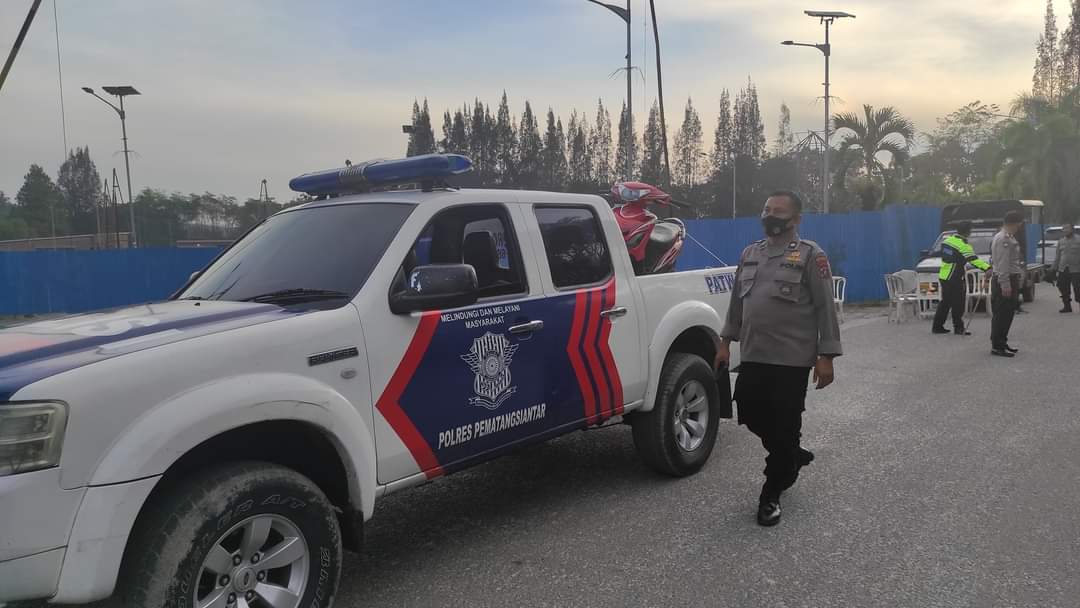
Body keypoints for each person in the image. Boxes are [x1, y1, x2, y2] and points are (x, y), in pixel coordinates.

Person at [715, 190, 842, 527]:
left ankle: (771, 491)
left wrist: (827, 355)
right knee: (749, 412)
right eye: (767, 209)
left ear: (796, 219)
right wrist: (725, 341)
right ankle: (791, 454)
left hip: (792, 359)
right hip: (754, 353)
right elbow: (737, 303)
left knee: (784, 425)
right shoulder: (750, 253)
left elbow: (825, 308)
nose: (770, 215)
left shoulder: (811, 255)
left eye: (779, 211)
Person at [932, 221, 990, 336]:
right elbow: (973, 260)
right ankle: (958, 328)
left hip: (944, 275)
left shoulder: (947, 241)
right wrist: (987, 268)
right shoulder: (963, 245)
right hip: (954, 277)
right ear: (968, 232)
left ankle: (937, 326)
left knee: (945, 302)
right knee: (958, 303)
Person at [990, 210, 1025, 357]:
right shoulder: (1003, 239)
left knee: (1007, 314)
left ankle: (1002, 342)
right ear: (1013, 223)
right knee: (1002, 314)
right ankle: (997, 345)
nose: (1019, 227)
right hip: (1005, 279)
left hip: (1010, 278)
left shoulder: (1008, 236)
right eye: (1019, 224)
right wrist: (1005, 284)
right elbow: (1003, 264)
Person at [1056, 223, 1080, 313]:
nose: (1065, 230)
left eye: (1067, 228)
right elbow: (1057, 257)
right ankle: (1067, 306)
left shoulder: (1078, 239)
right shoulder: (1061, 241)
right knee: (1062, 286)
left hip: (1076, 269)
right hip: (1063, 268)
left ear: (1072, 229)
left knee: (1078, 288)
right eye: (1063, 228)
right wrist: (1052, 269)